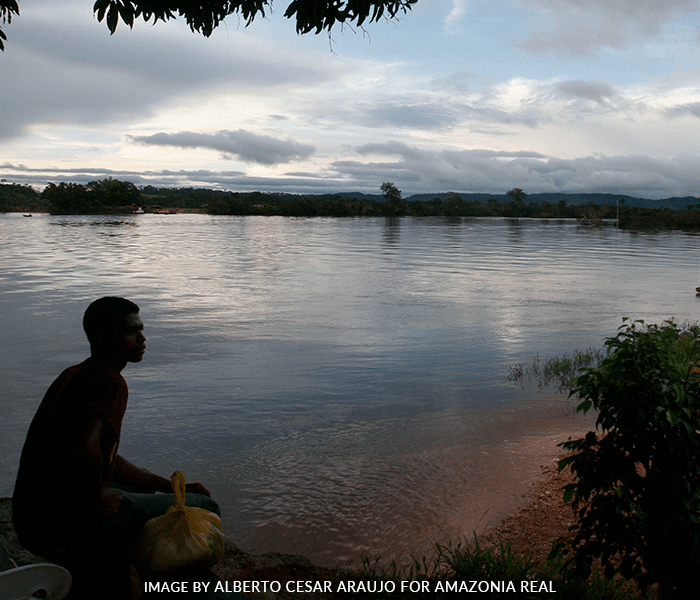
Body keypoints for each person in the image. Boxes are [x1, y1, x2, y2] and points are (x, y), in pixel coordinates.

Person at [13, 297, 220, 599]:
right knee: (204, 506)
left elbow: (100, 454)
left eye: (141, 330)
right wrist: (96, 497)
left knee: (147, 486)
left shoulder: (74, 373)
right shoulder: (109, 382)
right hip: (62, 527)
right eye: (131, 332)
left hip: (30, 520)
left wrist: (166, 485)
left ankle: (113, 560)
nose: (142, 338)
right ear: (102, 339)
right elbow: (84, 452)